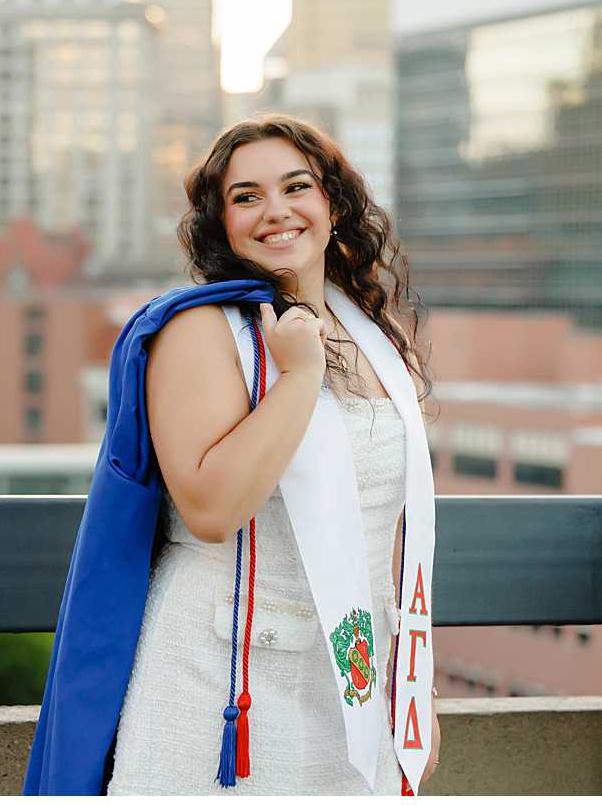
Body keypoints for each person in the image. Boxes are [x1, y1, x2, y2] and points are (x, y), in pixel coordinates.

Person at [24, 114, 441, 794]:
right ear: (221, 225)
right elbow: (212, 507)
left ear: (332, 204)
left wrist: (417, 683)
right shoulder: (201, 331)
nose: (276, 210)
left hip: (353, 682)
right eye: (246, 196)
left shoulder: (377, 338)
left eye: (296, 186)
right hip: (219, 683)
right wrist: (300, 377)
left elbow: (389, 532)